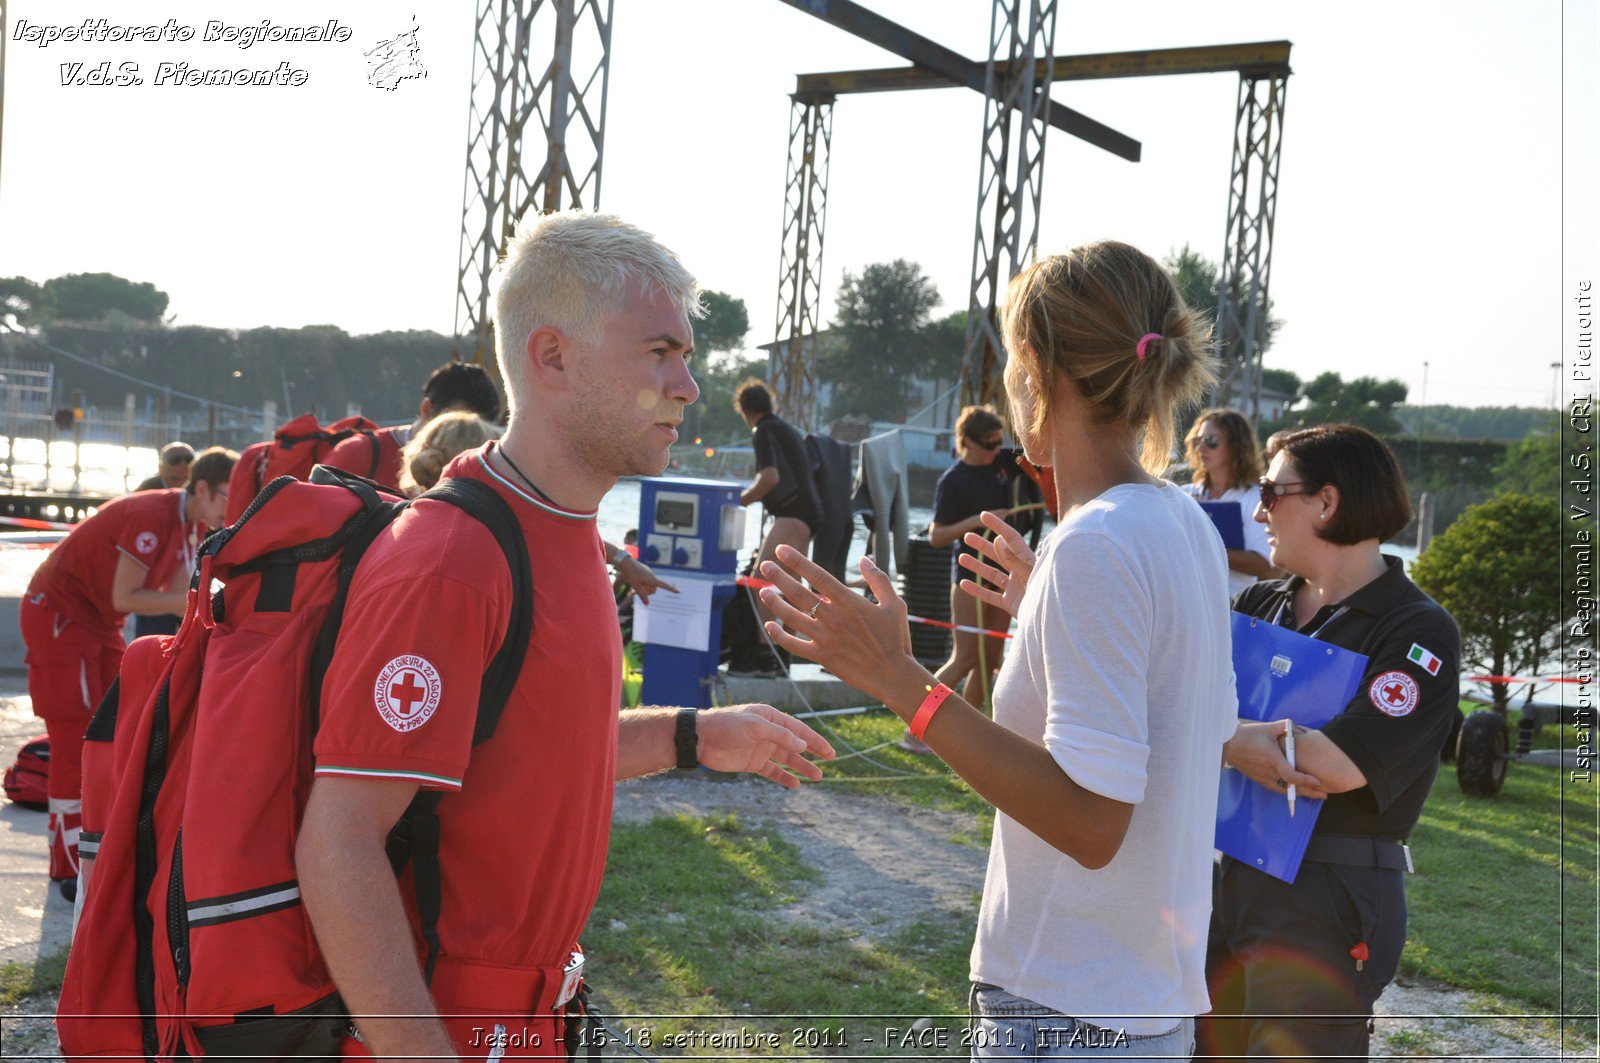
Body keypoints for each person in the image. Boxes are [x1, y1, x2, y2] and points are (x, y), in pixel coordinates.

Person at [295, 210, 834, 1061]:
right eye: (661, 353)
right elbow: (340, 839)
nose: (689, 386)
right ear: (552, 356)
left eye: (686, 356)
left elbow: (527, 752)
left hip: (538, 1009)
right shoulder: (451, 557)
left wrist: (694, 735)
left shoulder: (568, 533)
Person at [758, 241, 1237, 1059]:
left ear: (1037, 372)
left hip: (1067, 1007)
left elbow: (1091, 824)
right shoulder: (1181, 523)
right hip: (1142, 1005)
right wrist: (1045, 609)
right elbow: (1193, 726)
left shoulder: (1098, 545)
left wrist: (901, 681)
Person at [1198, 424, 1461, 1062]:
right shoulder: (1262, 602)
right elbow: (1170, 705)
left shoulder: (1416, 628)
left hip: (1326, 895)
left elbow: (1335, 765)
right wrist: (1234, 740)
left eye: (1271, 489)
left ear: (1327, 502)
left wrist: (1218, 736)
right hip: (1227, 876)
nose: (1258, 509)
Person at [23, 446, 236, 896]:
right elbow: (128, 596)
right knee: (73, 735)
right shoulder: (151, 513)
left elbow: (181, 597)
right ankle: (66, 867)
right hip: (59, 615)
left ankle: (99, 849)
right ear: (200, 488)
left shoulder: (195, 526)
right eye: (226, 497)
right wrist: (209, 603)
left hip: (100, 623)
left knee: (116, 730)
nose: (231, 509)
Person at [898, 404, 1024, 754]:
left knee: (991, 654)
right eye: (988, 445)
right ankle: (915, 729)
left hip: (1003, 573)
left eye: (1000, 443)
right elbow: (938, 536)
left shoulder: (1001, 463)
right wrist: (980, 520)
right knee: (966, 656)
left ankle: (968, 741)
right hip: (970, 574)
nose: (997, 450)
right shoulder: (953, 480)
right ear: (967, 442)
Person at [732, 378, 821, 673]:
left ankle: (764, 653)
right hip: (810, 513)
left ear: (745, 410)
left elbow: (770, 477)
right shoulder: (787, 428)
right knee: (792, 586)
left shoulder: (763, 430)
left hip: (791, 513)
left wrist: (740, 501)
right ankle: (786, 656)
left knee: (762, 579)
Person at [322, 360, 501, 490]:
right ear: (427, 409)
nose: (472, 440)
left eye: (481, 431)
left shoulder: (484, 468)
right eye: (457, 426)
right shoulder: (357, 454)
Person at [1183, 407, 1277, 597]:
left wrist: (1204, 546)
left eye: (1210, 441)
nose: (1201, 448)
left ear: (1236, 445)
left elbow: (1267, 567)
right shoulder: (1184, 494)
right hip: (1187, 604)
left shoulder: (1255, 498)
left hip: (1232, 610)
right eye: (1197, 441)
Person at [131, 441, 198, 638]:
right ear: (160, 467)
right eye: (174, 460)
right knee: (154, 629)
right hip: (153, 573)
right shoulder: (146, 492)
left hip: (186, 569)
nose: (182, 465)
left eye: (189, 460)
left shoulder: (200, 493)